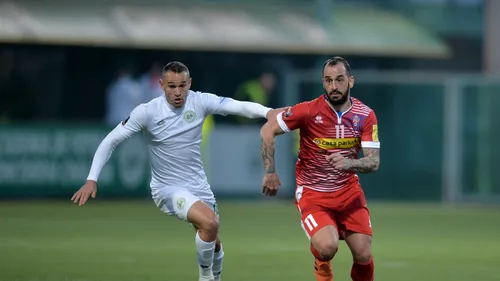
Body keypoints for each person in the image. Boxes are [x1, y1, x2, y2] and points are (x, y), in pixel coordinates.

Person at [72, 61, 283, 281]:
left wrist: (268, 112)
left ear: (189, 83)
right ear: (162, 85)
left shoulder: (199, 101)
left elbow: (237, 106)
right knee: (210, 222)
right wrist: (91, 179)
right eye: (172, 86)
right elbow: (111, 141)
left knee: (214, 240)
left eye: (182, 86)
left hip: (199, 186)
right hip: (168, 189)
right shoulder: (147, 112)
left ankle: (215, 278)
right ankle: (204, 278)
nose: (178, 92)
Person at [259, 57, 380, 281]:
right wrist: (270, 171)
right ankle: (320, 261)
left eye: (339, 80)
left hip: (348, 192)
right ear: (323, 83)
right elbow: (268, 130)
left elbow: (373, 161)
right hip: (314, 194)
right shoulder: (308, 111)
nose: (334, 86)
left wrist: (350, 163)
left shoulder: (365, 115)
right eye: (328, 80)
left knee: (363, 254)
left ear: (351, 81)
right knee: (327, 247)